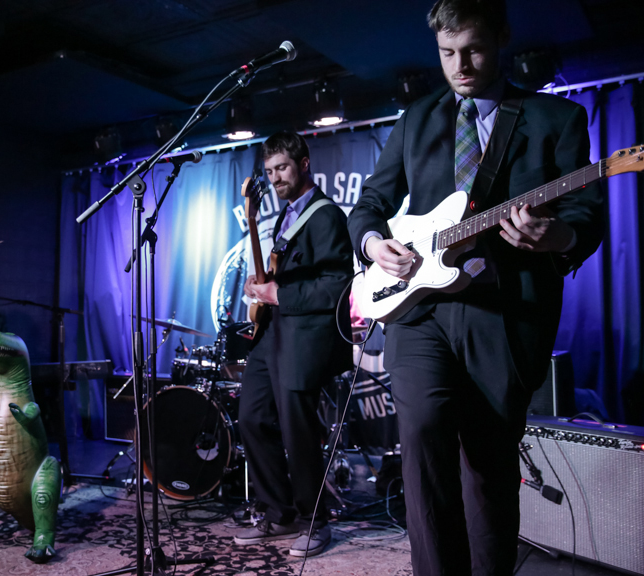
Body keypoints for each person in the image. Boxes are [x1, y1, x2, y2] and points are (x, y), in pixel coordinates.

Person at [347, 1, 603, 574]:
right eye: (446, 53)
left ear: (502, 38)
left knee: (488, 469)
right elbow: (371, 203)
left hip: (503, 316)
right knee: (422, 439)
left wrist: (557, 235)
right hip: (420, 313)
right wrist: (373, 244)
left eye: (474, 50)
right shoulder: (417, 119)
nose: (460, 66)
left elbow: (586, 213)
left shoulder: (554, 119)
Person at [234, 131, 353, 557]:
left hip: (304, 340)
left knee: (297, 433)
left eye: (282, 168)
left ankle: (314, 520)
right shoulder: (286, 215)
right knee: (251, 418)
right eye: (269, 172)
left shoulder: (326, 216)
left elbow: (337, 286)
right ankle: (279, 513)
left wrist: (279, 293)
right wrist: (262, 285)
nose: (275, 178)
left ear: (304, 164)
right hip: (272, 335)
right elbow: (285, 278)